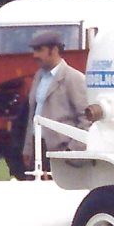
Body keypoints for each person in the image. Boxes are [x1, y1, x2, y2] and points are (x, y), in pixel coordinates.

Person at [22, 30, 91, 174]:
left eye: (39, 50)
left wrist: (71, 152)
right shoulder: (38, 77)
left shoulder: (74, 78)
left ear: (53, 50)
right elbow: (33, 115)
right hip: (38, 149)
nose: (35, 55)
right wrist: (28, 148)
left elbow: (87, 119)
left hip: (61, 153)